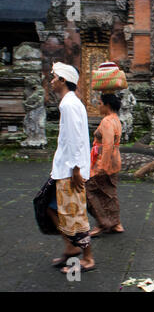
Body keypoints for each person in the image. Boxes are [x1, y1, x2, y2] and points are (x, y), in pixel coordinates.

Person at [47, 62, 95, 273]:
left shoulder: (69, 104)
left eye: (54, 77)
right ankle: (70, 247)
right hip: (64, 167)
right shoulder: (69, 102)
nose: (51, 81)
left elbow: (76, 137)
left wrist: (76, 169)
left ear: (63, 80)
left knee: (74, 215)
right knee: (46, 206)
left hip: (70, 170)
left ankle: (88, 258)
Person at [87, 93, 124, 237]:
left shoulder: (107, 121)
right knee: (110, 193)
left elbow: (107, 145)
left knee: (89, 191)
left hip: (105, 161)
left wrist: (101, 166)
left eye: (100, 103)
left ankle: (102, 223)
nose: (99, 106)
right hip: (114, 160)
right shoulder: (116, 120)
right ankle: (116, 223)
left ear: (107, 105)